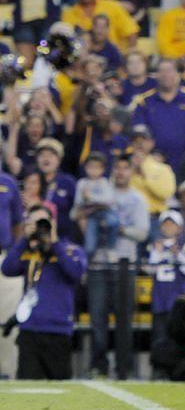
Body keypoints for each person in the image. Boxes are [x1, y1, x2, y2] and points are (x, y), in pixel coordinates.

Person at [1, 204, 86, 379]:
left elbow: (75, 272)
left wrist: (54, 242)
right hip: (30, 330)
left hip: (58, 330)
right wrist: (25, 238)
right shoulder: (27, 251)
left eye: (43, 221)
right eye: (33, 222)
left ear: (53, 223)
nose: (39, 226)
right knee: (28, 394)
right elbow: (7, 268)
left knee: (61, 394)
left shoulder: (70, 249)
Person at [87, 154, 149, 379]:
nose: (121, 172)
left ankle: (124, 369)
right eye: (118, 167)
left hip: (124, 263)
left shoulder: (138, 199)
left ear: (132, 172)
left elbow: (142, 233)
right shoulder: (102, 194)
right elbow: (83, 217)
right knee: (97, 318)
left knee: (124, 319)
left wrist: (119, 229)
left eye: (126, 168)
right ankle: (98, 367)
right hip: (98, 263)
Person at [131, 59, 185, 170]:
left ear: (178, 74)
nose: (165, 75)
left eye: (169, 70)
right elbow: (139, 133)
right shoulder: (144, 101)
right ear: (156, 75)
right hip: (153, 162)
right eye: (161, 71)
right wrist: (150, 156)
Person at [147, 209, 185, 344]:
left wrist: (178, 254)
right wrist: (157, 253)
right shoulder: (154, 247)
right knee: (159, 336)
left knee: (179, 335)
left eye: (172, 224)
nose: (168, 227)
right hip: (160, 298)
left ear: (179, 228)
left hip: (178, 298)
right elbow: (150, 270)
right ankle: (159, 364)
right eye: (165, 224)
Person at [62, 0, 139, 51]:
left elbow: (131, 32)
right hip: (83, 58)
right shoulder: (68, 14)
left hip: (114, 58)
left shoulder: (112, 6)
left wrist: (129, 56)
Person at [71, 152, 119, 257]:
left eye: (97, 167)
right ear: (85, 168)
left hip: (105, 212)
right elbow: (78, 202)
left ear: (103, 169)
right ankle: (86, 264)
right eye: (91, 167)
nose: (93, 170)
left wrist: (91, 198)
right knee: (89, 246)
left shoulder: (104, 182)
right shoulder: (82, 183)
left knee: (114, 221)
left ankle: (111, 248)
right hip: (90, 215)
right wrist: (90, 201)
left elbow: (108, 200)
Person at [35, 138, 76, 238]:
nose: (46, 159)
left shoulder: (68, 182)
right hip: (35, 237)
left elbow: (76, 210)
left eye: (50, 155)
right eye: (42, 155)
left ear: (59, 160)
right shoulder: (32, 180)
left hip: (62, 237)